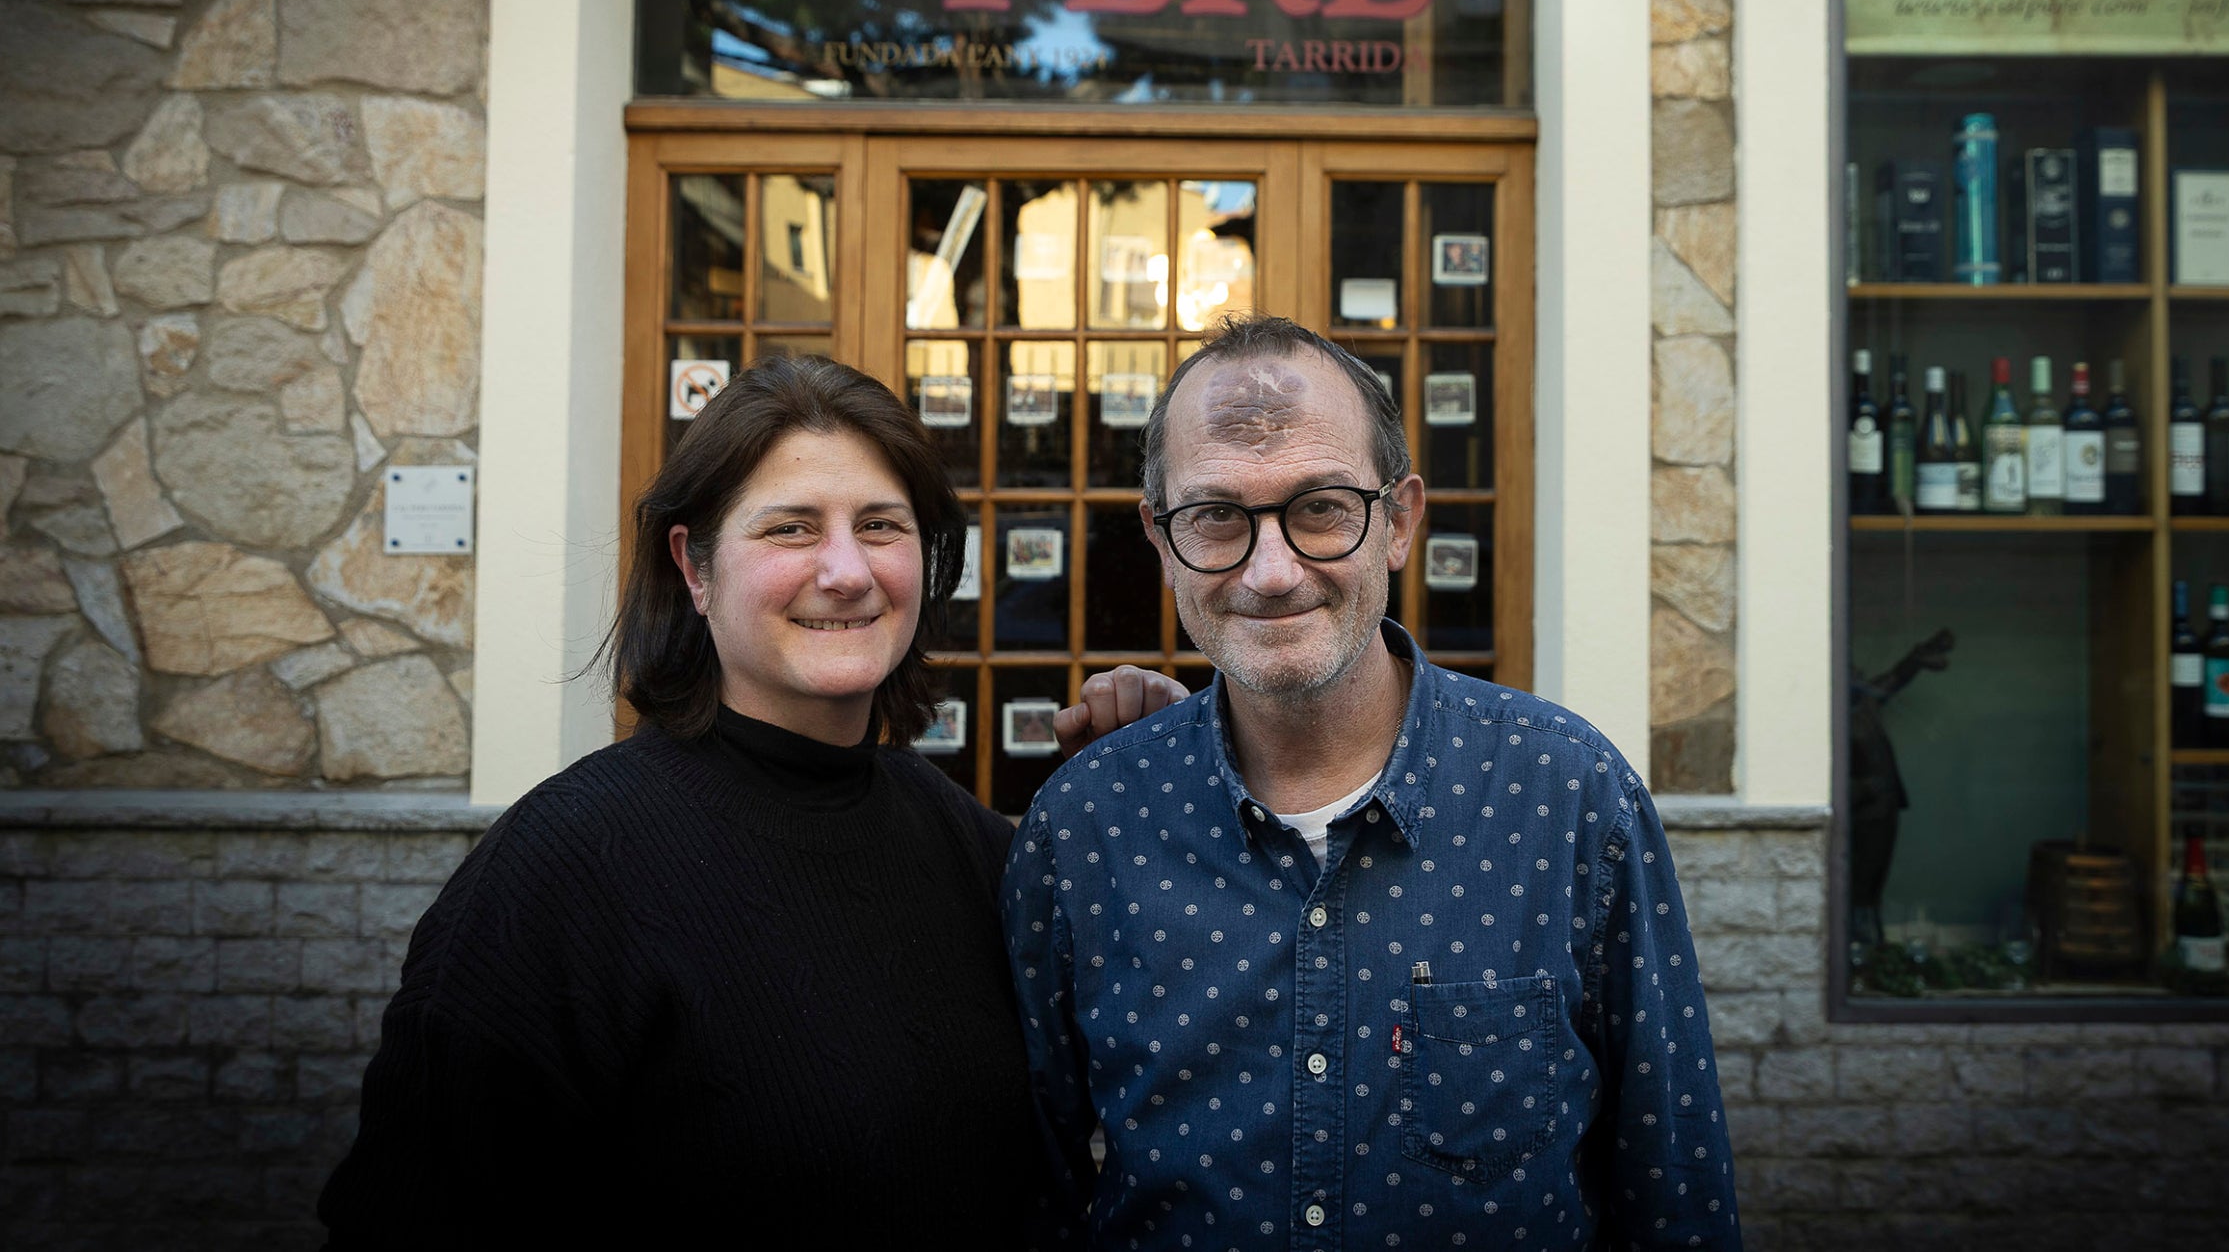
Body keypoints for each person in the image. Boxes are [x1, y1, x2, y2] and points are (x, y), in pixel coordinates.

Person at [1003, 314, 1743, 1248]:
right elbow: (1033, 1192)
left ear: (1397, 521)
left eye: (1319, 506)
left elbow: (1674, 1184)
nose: (1271, 573)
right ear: (1160, 537)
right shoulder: (1087, 826)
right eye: (1217, 515)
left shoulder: (1569, 796)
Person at [320, 356, 1050, 1246]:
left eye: (881, 525)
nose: (848, 569)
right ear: (695, 568)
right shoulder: (565, 869)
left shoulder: (956, 835)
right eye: (790, 528)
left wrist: (1161, 775)